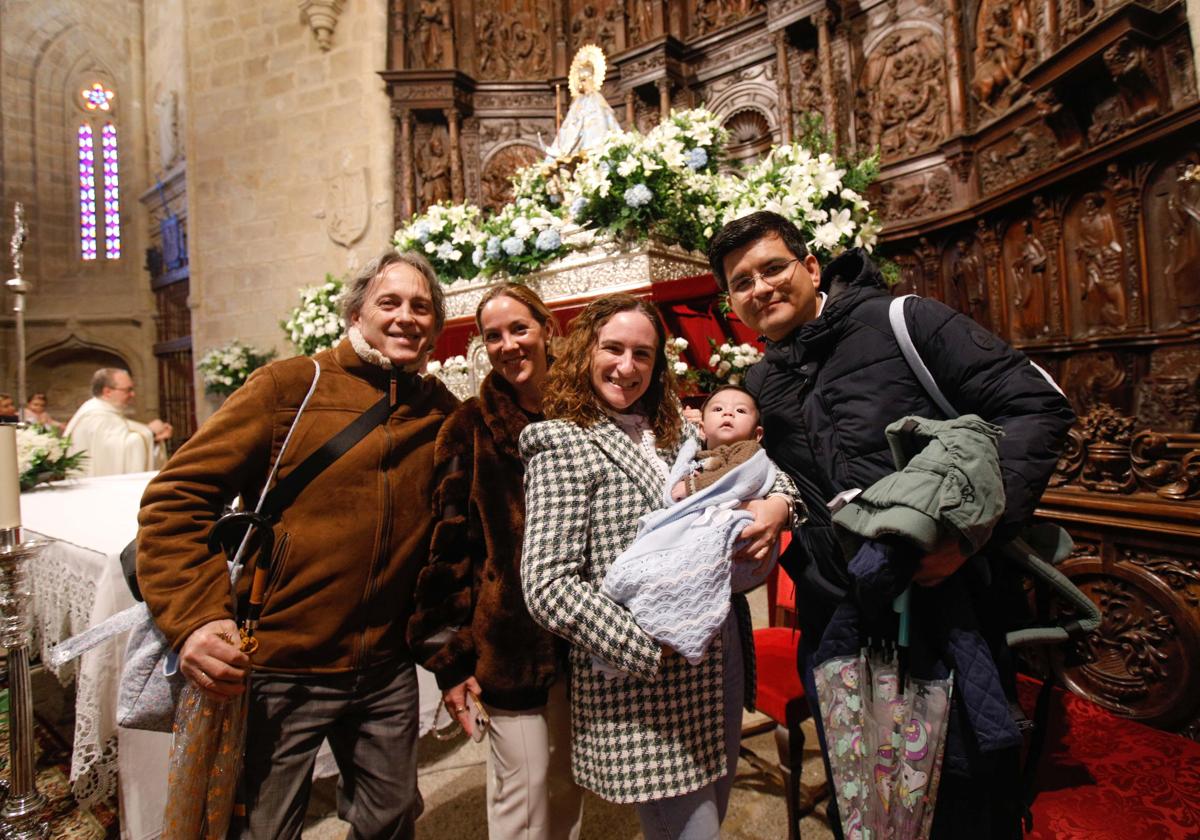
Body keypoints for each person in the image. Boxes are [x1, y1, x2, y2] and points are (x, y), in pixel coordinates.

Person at [707, 211, 1075, 839]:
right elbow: (799, 475)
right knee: (871, 805)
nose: (760, 288)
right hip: (840, 620)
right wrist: (778, 503)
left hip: (945, 606)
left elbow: (1038, 406)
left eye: (772, 268)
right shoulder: (762, 379)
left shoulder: (904, 320)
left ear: (811, 267)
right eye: (742, 282)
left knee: (963, 804)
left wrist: (963, 536)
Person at [136, 250, 459, 840]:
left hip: (385, 668)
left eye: (421, 307)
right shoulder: (290, 386)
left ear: (436, 326)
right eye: (389, 302)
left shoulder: (439, 411)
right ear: (356, 313)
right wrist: (198, 621)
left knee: (390, 822)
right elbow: (175, 500)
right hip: (282, 662)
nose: (406, 317)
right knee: (264, 827)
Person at [520, 294, 799, 839]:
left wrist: (776, 506)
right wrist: (650, 645)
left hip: (721, 665)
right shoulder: (563, 443)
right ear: (584, 353)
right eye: (613, 349)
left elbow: (757, 467)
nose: (627, 367)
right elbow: (547, 584)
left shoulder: (676, 433)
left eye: (643, 355)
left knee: (712, 816)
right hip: (649, 689)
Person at [407, 283, 584, 840]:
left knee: (566, 784)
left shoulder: (586, 412)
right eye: (493, 335)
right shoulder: (469, 427)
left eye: (519, 329)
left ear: (547, 328)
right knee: (521, 792)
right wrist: (449, 659)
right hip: (508, 644)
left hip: (584, 636)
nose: (508, 344)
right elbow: (447, 549)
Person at [64, 369, 172, 476]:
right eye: (127, 390)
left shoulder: (106, 412)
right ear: (107, 392)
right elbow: (113, 454)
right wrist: (151, 432)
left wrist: (154, 438)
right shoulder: (96, 416)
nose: (132, 394)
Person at [671, 384, 764, 501]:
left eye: (740, 410)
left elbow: (737, 473)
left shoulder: (749, 449)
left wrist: (693, 486)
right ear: (702, 430)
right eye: (718, 409)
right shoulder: (696, 454)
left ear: (756, 435)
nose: (728, 413)